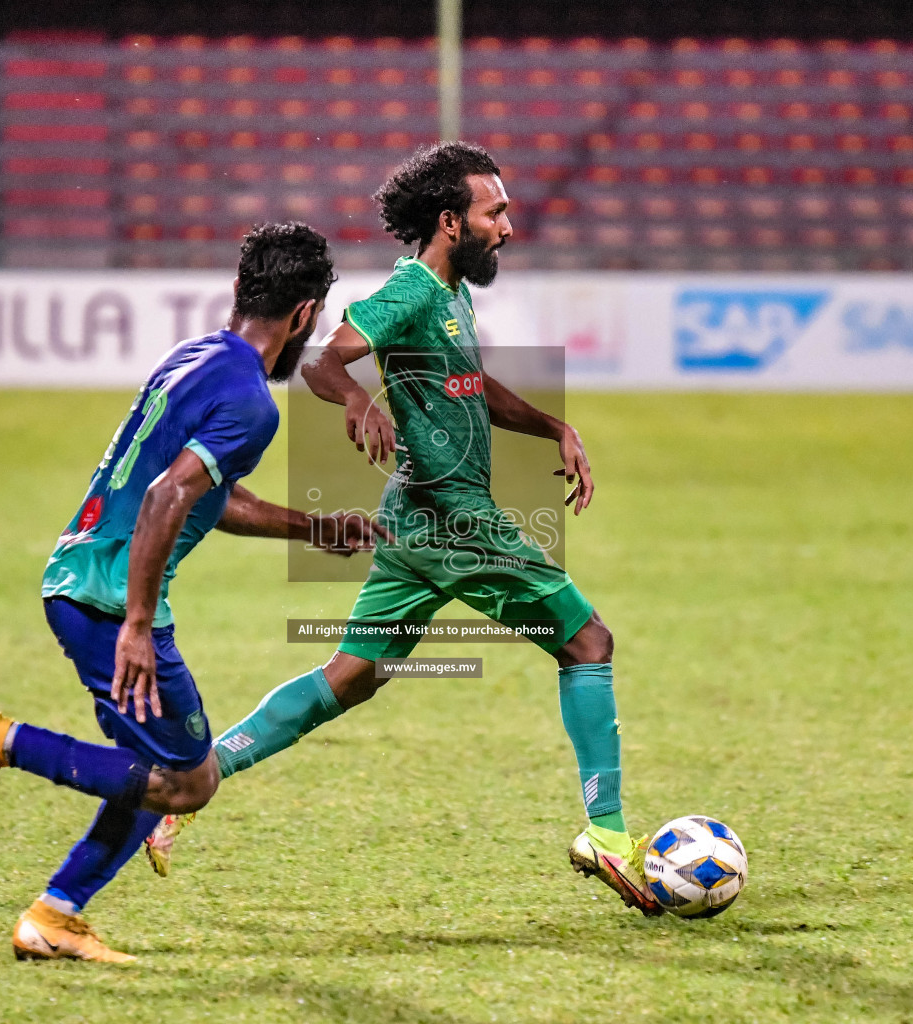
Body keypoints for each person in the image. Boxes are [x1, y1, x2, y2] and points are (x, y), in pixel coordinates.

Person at [150, 143, 662, 916]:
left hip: (411, 522)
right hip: (458, 522)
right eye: (496, 212)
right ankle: (610, 835)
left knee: (349, 680)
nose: (509, 227)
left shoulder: (449, 295)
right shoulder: (414, 289)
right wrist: (357, 402)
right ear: (452, 222)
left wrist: (552, 425)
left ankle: (191, 784)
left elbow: (468, 383)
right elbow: (326, 361)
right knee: (588, 643)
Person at [0, 222, 382, 962]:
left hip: (82, 580)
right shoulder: (253, 402)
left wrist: (313, 529)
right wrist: (138, 626)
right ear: (305, 315)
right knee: (189, 780)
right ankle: (1, 741)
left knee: (157, 773)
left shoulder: (194, 356)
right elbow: (165, 499)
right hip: (112, 603)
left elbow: (205, 497)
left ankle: (56, 915)